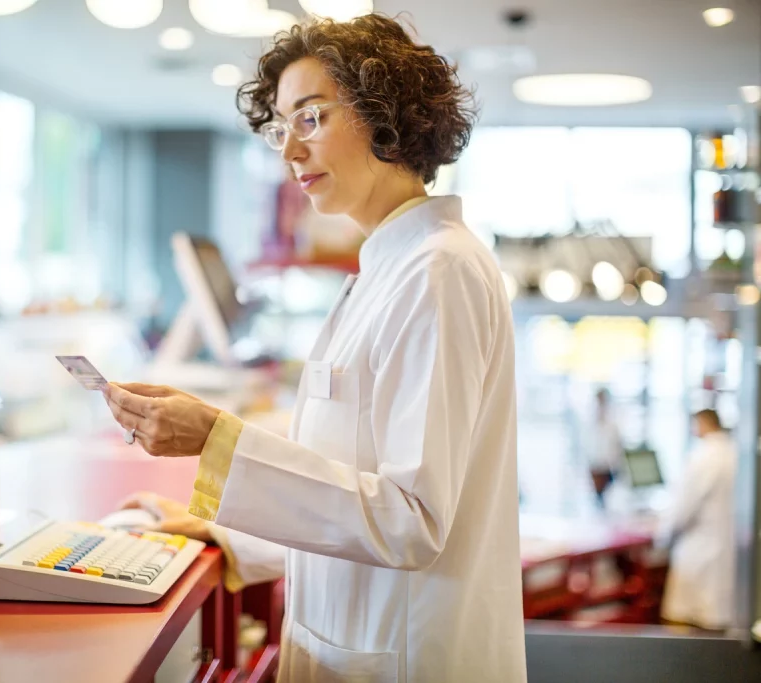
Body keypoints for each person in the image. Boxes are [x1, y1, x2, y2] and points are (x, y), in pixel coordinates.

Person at [104, 15, 526, 682]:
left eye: (310, 119)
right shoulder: (389, 268)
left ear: (386, 113)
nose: (289, 153)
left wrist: (220, 441)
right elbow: (344, 488)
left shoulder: (438, 272)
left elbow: (409, 519)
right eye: (281, 128)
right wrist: (225, 528)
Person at [655, 409, 737, 630]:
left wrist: (662, 537)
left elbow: (683, 507)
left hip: (699, 549)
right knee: (716, 619)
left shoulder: (703, 456)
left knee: (689, 620)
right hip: (725, 547)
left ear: (701, 423)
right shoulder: (734, 452)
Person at [585, 388, 625, 508]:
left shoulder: (613, 426)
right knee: (597, 504)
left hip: (609, 470)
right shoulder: (590, 426)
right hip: (595, 468)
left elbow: (617, 450)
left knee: (609, 502)